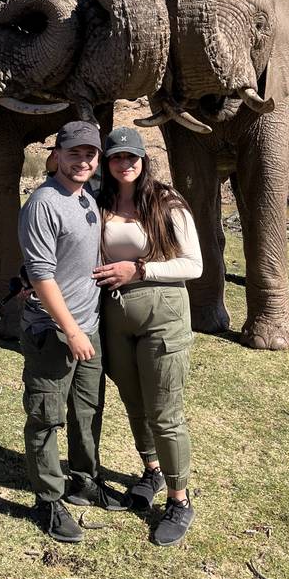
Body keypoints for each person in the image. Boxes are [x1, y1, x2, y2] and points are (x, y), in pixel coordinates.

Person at [93, 126, 202, 546]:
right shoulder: (100, 201)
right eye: (117, 157)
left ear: (143, 160)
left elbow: (193, 265)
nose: (124, 163)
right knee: (133, 400)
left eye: (131, 157)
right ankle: (152, 471)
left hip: (163, 314)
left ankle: (179, 499)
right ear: (108, 162)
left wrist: (139, 269)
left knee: (164, 411)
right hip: (115, 316)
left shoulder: (166, 202)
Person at [18, 120, 126, 543]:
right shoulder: (44, 203)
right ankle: (48, 500)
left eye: (90, 154)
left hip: (89, 326)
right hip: (54, 331)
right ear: (56, 155)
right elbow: (41, 276)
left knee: (87, 410)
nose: (83, 161)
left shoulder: (87, 199)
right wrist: (72, 331)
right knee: (46, 416)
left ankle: (84, 481)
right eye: (74, 153)